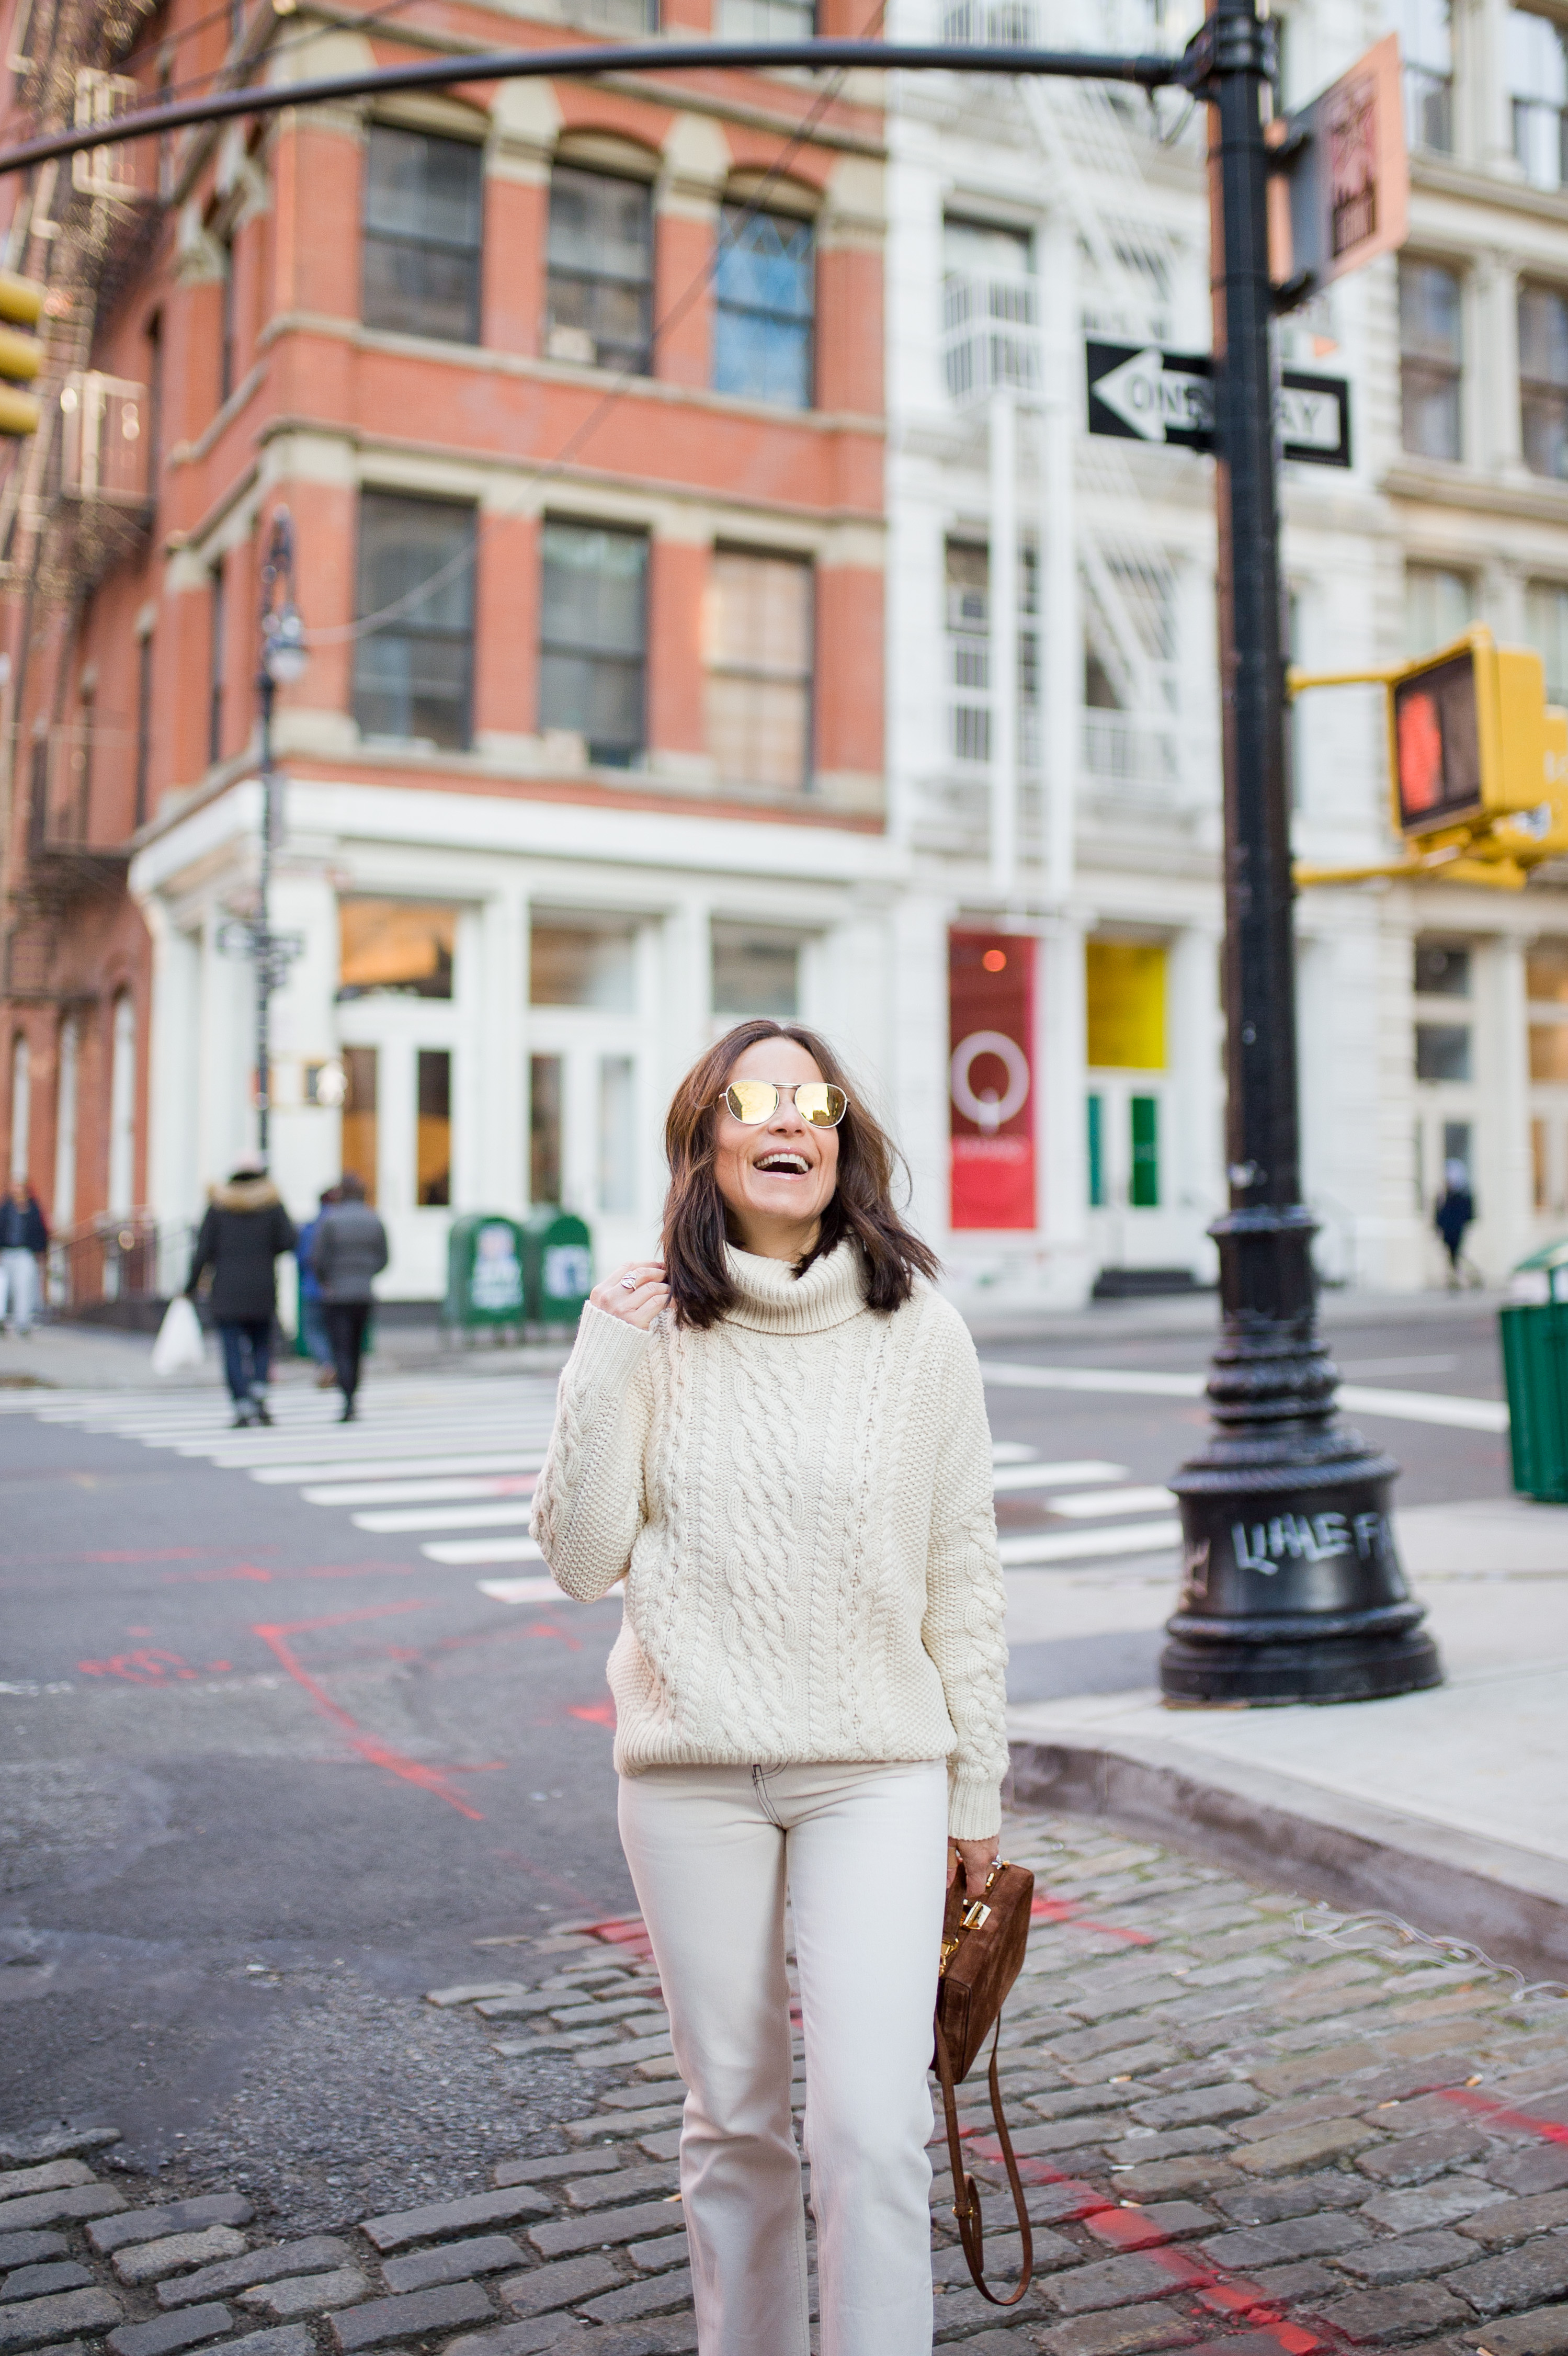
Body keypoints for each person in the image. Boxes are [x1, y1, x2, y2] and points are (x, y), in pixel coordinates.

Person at [530, 1020, 1008, 2356]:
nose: (787, 1118)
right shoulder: (646, 1326)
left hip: (876, 1769)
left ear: (842, 1138)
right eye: (754, 1097)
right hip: (690, 1777)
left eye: (816, 1098)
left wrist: (977, 1788)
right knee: (733, 2120)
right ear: (710, 1138)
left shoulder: (920, 1332)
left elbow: (963, 1569)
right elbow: (579, 1561)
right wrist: (606, 1354)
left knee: (869, 2121)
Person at [186, 1166, 297, 1426]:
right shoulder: (271, 1206)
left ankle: (242, 1404)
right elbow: (290, 1240)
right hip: (262, 1288)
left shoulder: (219, 1207)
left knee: (232, 1349)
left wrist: (190, 1286)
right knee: (261, 1345)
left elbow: (203, 1250)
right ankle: (259, 1392)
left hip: (227, 1290)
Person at [311, 1174, 388, 1421]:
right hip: (363, 1294)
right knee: (356, 1348)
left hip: (337, 1295)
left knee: (341, 1348)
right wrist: (366, 1275)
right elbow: (384, 1258)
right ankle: (353, 1395)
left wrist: (328, 1281)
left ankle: (346, 1397)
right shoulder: (373, 1220)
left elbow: (318, 1258)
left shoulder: (331, 1221)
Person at [294, 1186, 339, 1387]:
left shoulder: (311, 1228)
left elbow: (302, 1257)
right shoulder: (341, 1225)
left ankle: (327, 1364)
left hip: (313, 1288)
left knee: (314, 1330)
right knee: (334, 1330)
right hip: (339, 1290)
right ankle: (334, 1365)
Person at [0, 1179, 48, 1335]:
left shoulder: (32, 1209)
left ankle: (23, 1321)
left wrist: (40, 1250)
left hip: (24, 1252)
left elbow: (40, 1231)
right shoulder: (6, 1209)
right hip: (6, 1252)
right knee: (3, 1287)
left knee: (23, 1287)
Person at [1435, 1160, 1478, 1288]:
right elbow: (1440, 1214)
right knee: (1454, 1256)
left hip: (1456, 1231)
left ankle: (1465, 1277)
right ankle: (1457, 1279)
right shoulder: (1445, 1196)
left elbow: (1466, 1215)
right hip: (1449, 1232)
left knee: (1457, 1256)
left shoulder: (1461, 1196)